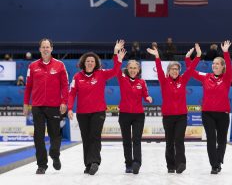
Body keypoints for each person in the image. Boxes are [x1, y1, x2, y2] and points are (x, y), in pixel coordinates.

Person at [68, 41, 125, 175]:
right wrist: (70, 108)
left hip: (98, 112)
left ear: (96, 63)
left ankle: (95, 162)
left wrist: (116, 54)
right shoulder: (77, 77)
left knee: (94, 136)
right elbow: (71, 93)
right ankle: (88, 164)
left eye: (92, 61)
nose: (90, 63)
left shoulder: (101, 74)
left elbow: (115, 71)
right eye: (87, 61)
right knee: (86, 138)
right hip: (82, 113)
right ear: (84, 63)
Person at [146, 43, 201, 174]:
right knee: (169, 142)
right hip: (168, 116)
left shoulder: (183, 79)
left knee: (179, 140)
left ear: (179, 71)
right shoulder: (164, 81)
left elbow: (191, 68)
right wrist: (157, 57)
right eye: (172, 69)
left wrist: (198, 56)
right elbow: (159, 69)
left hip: (181, 116)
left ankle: (181, 163)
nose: (175, 71)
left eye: (177, 69)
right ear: (169, 71)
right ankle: (170, 165)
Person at [185, 40, 232, 174]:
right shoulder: (206, 77)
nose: (215, 66)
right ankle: (214, 165)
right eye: (213, 64)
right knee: (211, 139)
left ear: (223, 67)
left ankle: (219, 160)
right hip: (208, 113)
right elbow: (191, 71)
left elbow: (229, 64)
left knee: (222, 140)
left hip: (223, 113)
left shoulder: (227, 77)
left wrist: (226, 52)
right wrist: (188, 58)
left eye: (218, 64)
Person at [23, 38, 69, 174]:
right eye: (43, 47)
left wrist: (64, 102)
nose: (45, 49)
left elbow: (65, 86)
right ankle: (42, 165)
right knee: (38, 136)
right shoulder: (32, 66)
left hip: (54, 106)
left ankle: (55, 155)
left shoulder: (60, 65)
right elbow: (28, 87)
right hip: (37, 106)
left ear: (52, 48)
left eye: (47, 47)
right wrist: (26, 103)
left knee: (55, 134)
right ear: (39, 49)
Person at [113, 41, 153, 174]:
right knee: (126, 141)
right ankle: (128, 164)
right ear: (127, 69)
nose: (133, 70)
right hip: (124, 114)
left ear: (139, 70)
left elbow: (146, 94)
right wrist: (116, 55)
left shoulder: (142, 82)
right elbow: (116, 69)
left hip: (138, 115)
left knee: (136, 139)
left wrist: (148, 98)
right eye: (131, 68)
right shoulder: (122, 78)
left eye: (135, 68)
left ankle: (137, 162)